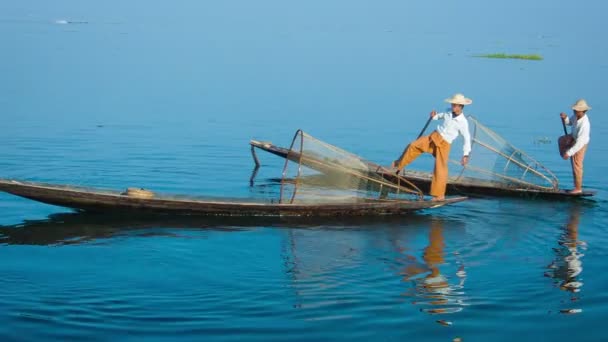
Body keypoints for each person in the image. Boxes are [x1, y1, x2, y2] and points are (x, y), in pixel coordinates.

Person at [392, 93, 472, 201]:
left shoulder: (463, 122)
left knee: (440, 168)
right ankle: (398, 164)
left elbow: (466, 138)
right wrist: (434, 116)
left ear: (460, 106)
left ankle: (439, 195)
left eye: (455, 105)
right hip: (434, 136)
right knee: (413, 145)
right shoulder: (448, 111)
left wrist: (465, 155)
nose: (453, 106)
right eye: (452, 104)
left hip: (444, 144)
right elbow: (440, 116)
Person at [559, 99, 591, 194]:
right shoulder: (576, 116)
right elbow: (569, 122)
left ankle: (578, 189)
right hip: (574, 137)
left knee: (577, 165)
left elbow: (580, 143)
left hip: (580, 143)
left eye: (577, 110)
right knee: (561, 140)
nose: (574, 111)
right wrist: (565, 118)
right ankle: (565, 154)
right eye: (575, 109)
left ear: (583, 111)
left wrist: (569, 153)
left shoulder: (585, 124)